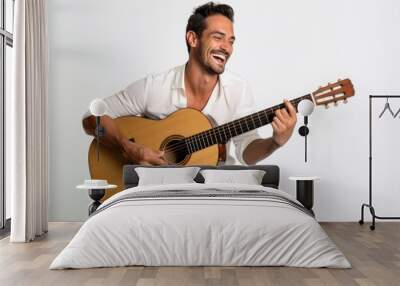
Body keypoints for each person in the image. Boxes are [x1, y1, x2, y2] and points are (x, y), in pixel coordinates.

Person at [82, 2, 297, 166]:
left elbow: (246, 153)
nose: (227, 48)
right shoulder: (155, 87)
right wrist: (130, 148)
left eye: (231, 41)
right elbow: (91, 118)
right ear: (193, 39)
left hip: (212, 192)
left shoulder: (238, 90)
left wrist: (275, 142)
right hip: (156, 189)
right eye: (218, 37)